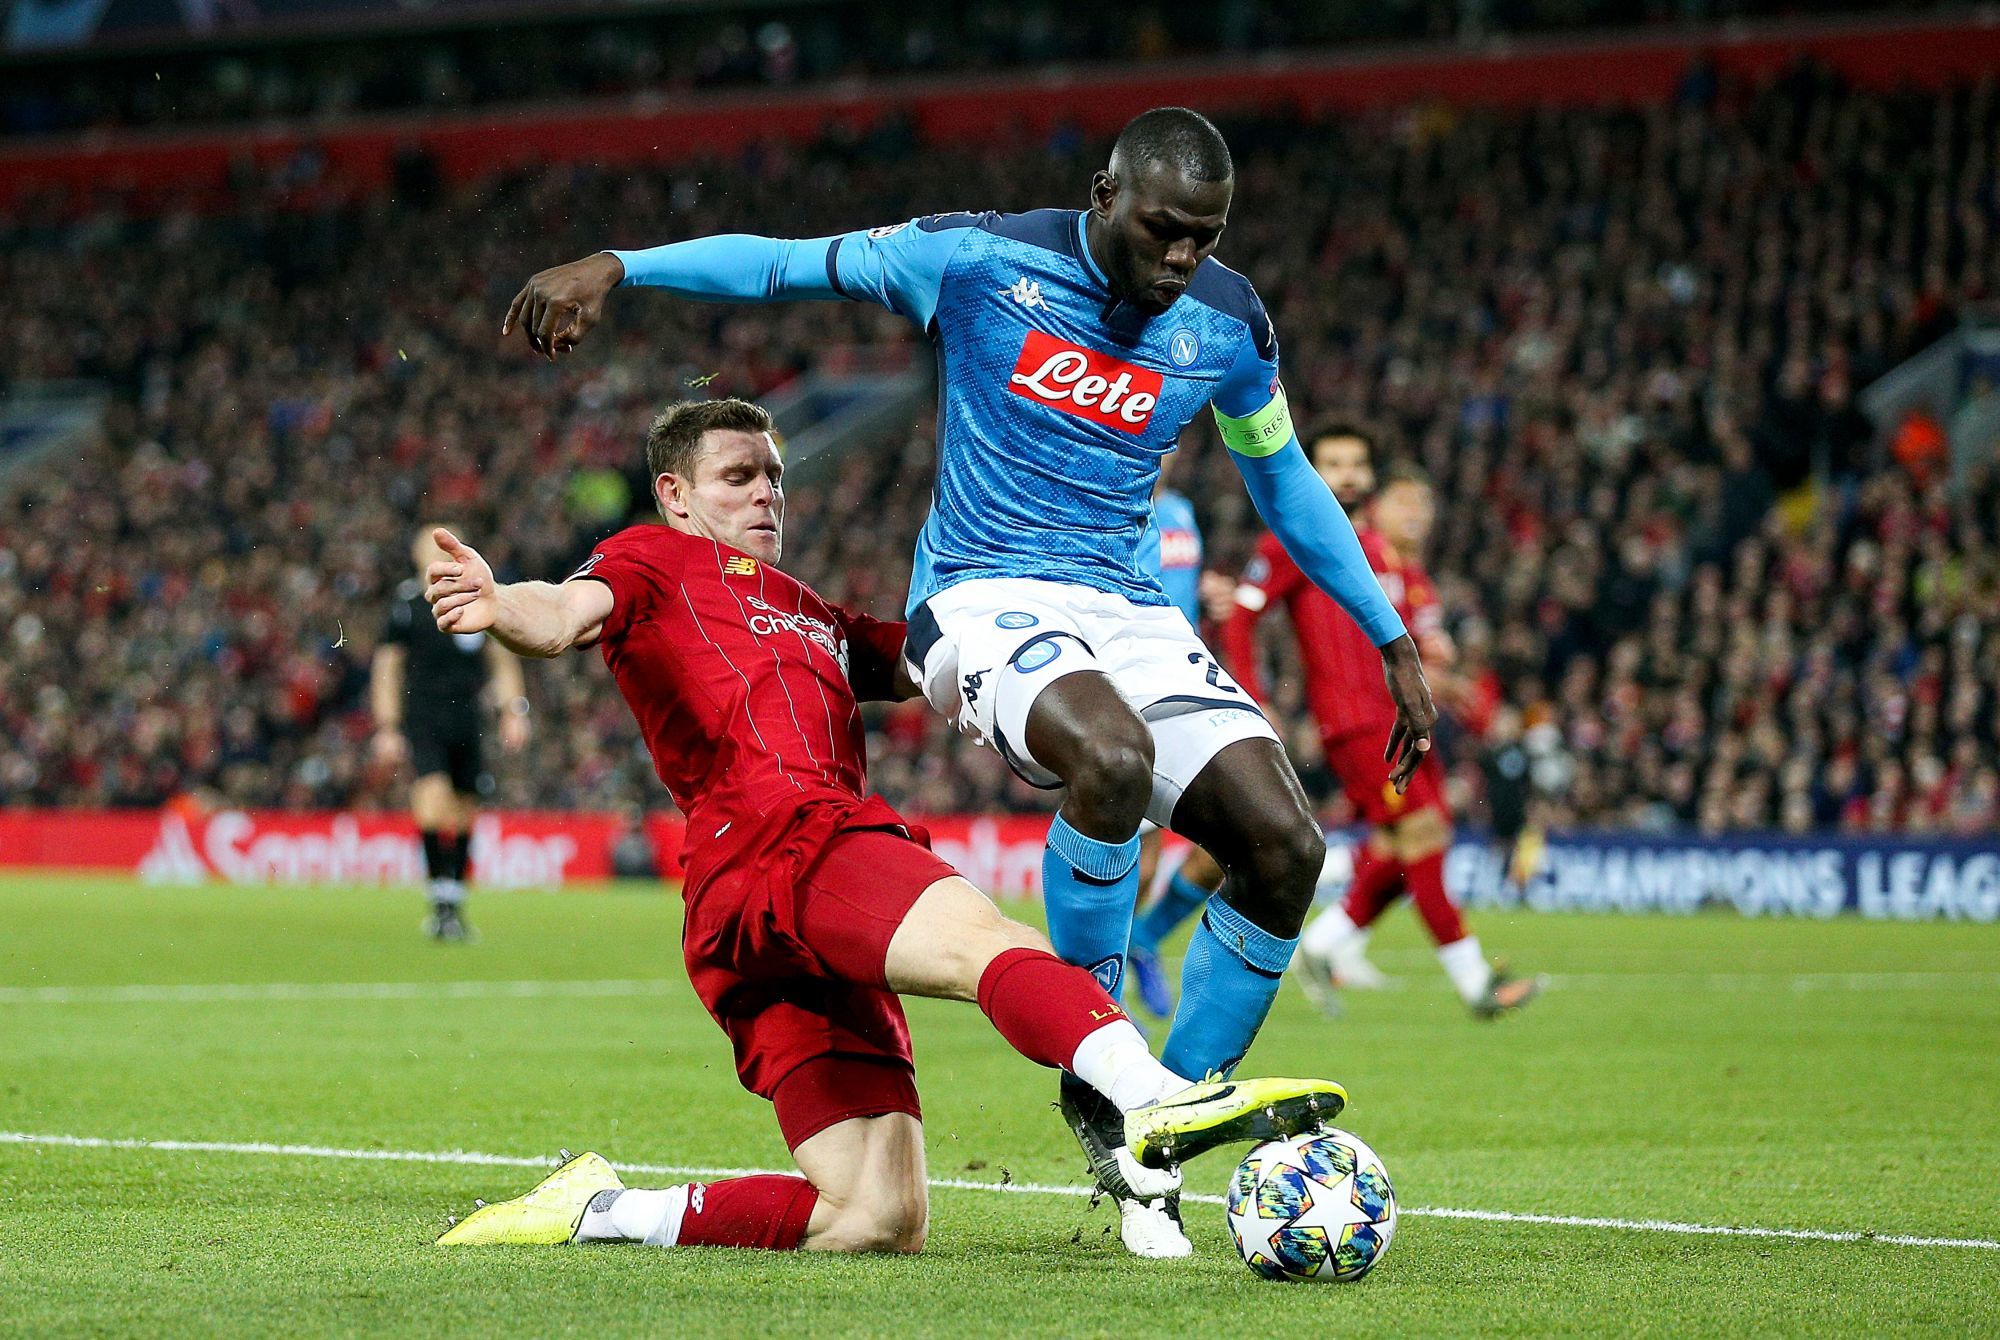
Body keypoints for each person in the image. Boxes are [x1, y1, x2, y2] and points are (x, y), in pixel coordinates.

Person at [501, 107, 1436, 1255]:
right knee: (1110, 759)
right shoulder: (977, 257)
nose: (1182, 258)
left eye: (1204, 235)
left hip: (1129, 609)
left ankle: (1160, 1127)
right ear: (1104, 195)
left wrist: (1388, 635)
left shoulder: (1228, 324)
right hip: (983, 595)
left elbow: (1282, 478)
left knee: (1287, 845)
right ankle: (1104, 1080)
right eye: (1162, 230)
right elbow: (787, 266)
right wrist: (621, 265)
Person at [425, 398, 1347, 1258]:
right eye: (737, 477)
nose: (765, 494)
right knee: (991, 943)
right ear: (673, 494)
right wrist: (501, 601)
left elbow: (928, 653)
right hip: (789, 841)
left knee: (875, 1215)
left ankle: (601, 1210)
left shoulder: (809, 612)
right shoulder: (646, 560)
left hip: (749, 915)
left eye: (774, 476)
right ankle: (1154, 1099)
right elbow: (562, 614)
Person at [1220, 427, 1537, 1019]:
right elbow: (1242, 618)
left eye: (1357, 463)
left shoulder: (1377, 551)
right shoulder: (1295, 534)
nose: (1347, 475)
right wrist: (1253, 695)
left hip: (1402, 717)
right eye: (1332, 463)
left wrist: (1451, 687)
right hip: (1358, 723)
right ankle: (1475, 984)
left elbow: (1404, 641)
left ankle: (1320, 946)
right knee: (1423, 835)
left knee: (1405, 845)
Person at [371, 524, 530, 940]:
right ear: (417, 556)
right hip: (423, 717)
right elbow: (387, 669)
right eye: (430, 547)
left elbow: (502, 659)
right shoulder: (406, 606)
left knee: (464, 808)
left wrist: (514, 711)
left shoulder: (476, 599)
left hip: (468, 717)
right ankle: (440, 901)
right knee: (432, 797)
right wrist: (388, 726)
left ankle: (452, 903)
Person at [1124, 468, 1228, 1021]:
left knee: (1224, 842)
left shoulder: (1183, 510)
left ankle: (1142, 939)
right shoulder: (1111, 505)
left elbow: (1181, 588)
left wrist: (1212, 597)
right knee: (1134, 859)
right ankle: (1105, 988)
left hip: (1185, 681)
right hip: (1127, 687)